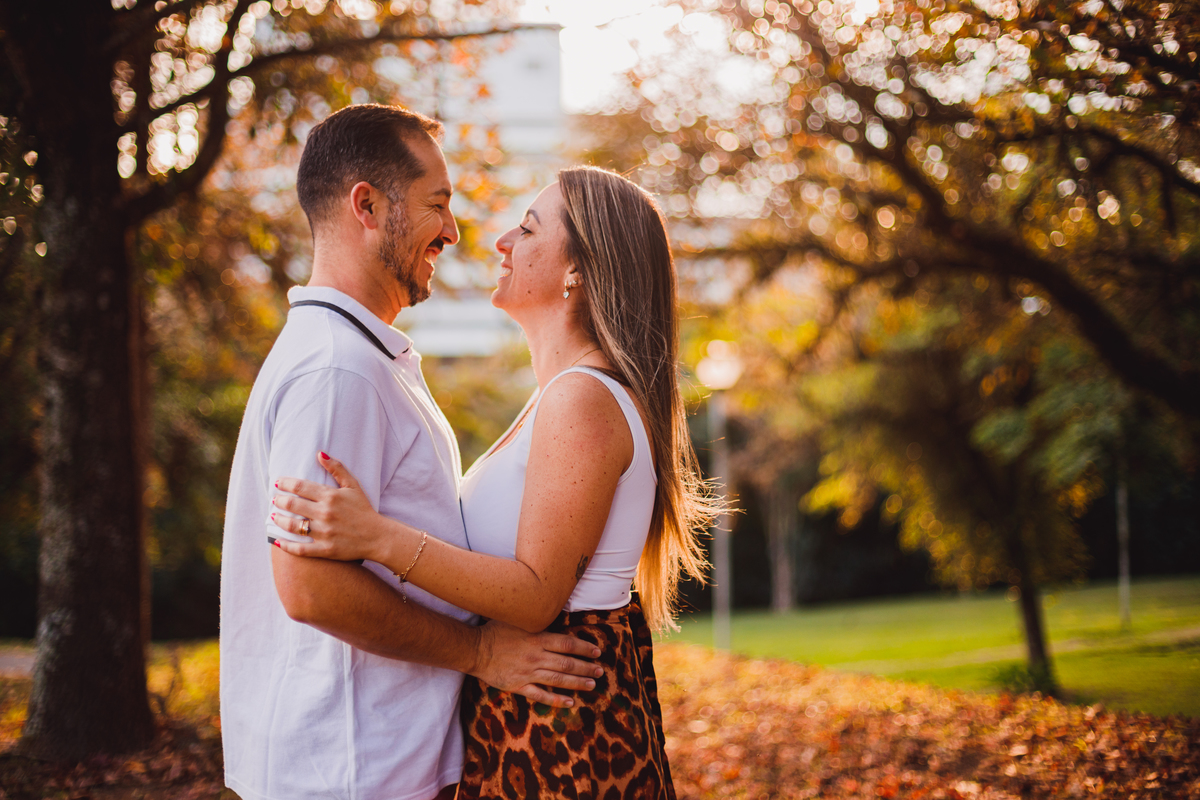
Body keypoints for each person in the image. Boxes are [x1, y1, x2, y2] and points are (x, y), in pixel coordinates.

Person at [271, 166, 718, 798]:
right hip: (536, 705)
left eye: (528, 229)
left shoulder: (582, 399)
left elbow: (536, 596)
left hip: (561, 726)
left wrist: (376, 537)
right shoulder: (561, 394)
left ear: (578, 270)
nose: (502, 241)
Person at [219, 104, 603, 800]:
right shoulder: (337, 369)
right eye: (437, 204)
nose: (453, 231)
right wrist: (478, 651)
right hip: (350, 768)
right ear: (367, 206)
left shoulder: (358, 356)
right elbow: (309, 587)